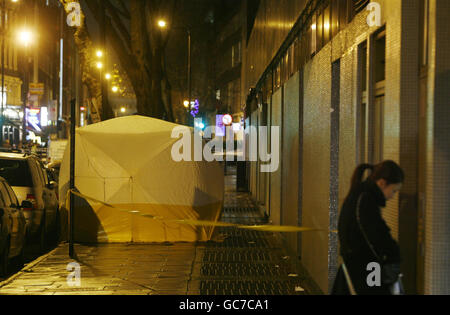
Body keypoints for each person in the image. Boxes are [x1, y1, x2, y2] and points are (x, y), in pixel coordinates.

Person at [332, 160, 405, 295]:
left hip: (358, 266)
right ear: (382, 183)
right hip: (366, 267)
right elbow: (377, 234)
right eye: (393, 190)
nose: (392, 196)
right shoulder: (365, 200)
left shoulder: (360, 194)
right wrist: (393, 256)